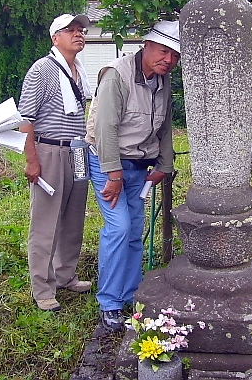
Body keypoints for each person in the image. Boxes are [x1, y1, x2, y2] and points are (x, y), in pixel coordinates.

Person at [86, 20, 180, 331]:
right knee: (119, 228)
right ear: (147, 45)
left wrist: (165, 165)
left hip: (139, 165)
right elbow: (105, 128)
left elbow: (165, 125)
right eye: (164, 51)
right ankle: (110, 302)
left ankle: (130, 294)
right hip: (108, 162)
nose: (168, 59)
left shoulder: (163, 80)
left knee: (135, 229)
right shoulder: (117, 74)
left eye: (175, 55)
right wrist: (113, 174)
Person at [18, 13, 93, 312]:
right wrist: (32, 159)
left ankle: (66, 274)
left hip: (78, 151)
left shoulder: (79, 71)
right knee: (46, 222)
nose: (78, 34)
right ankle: (43, 287)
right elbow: (26, 118)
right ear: (55, 37)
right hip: (50, 150)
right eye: (70, 30)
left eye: (81, 30)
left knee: (74, 217)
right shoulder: (42, 69)